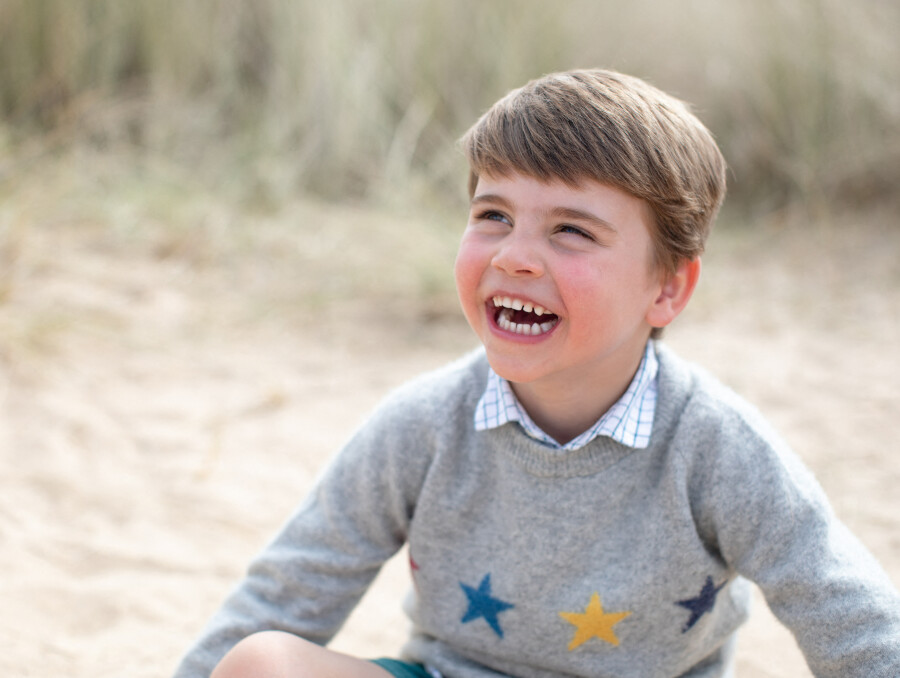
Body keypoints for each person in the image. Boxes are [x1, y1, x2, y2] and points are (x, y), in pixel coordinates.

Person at [172, 69, 900, 678]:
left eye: (571, 230)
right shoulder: (423, 425)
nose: (513, 255)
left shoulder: (716, 446)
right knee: (259, 662)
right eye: (492, 214)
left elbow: (850, 615)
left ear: (667, 288)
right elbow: (287, 591)